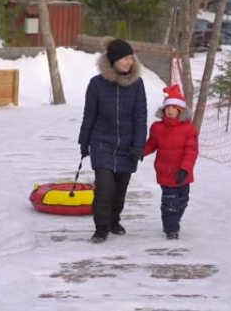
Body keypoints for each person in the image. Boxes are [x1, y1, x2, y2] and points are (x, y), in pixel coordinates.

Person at [78, 37, 147, 244]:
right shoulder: (96, 84)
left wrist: (138, 145)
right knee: (105, 187)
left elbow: (140, 117)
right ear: (114, 60)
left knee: (119, 190)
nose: (130, 62)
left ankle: (114, 220)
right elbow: (89, 115)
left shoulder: (137, 84)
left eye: (131, 58)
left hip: (127, 146)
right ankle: (101, 228)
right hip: (102, 143)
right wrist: (84, 141)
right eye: (125, 58)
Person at [143, 84, 199, 240]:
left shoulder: (188, 129)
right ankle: (171, 228)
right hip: (165, 172)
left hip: (183, 173)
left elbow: (191, 151)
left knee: (182, 200)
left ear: (180, 110)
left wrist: (185, 169)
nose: (170, 110)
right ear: (163, 110)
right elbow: (151, 144)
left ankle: (174, 218)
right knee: (169, 202)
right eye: (168, 107)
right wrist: (139, 152)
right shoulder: (157, 128)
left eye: (174, 107)